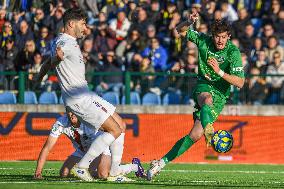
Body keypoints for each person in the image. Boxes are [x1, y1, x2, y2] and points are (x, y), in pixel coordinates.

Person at [34, 8, 141, 181]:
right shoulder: (65, 42)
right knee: (114, 130)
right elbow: (56, 56)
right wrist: (56, 59)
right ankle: (83, 166)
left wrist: (39, 77)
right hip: (78, 98)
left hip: (85, 94)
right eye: (83, 24)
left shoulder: (64, 41)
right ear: (71, 24)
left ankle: (115, 171)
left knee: (121, 125)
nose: (85, 28)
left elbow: (50, 60)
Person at [146, 13, 245, 180]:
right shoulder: (204, 40)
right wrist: (189, 22)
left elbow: (240, 83)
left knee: (195, 135)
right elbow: (180, 30)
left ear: (228, 36)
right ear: (212, 36)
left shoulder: (233, 53)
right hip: (203, 86)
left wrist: (219, 72)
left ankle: (159, 163)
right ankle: (210, 130)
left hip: (221, 94)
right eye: (217, 37)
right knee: (207, 99)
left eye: (223, 37)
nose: (220, 41)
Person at [34, 110, 144, 180]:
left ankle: (135, 166)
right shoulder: (61, 123)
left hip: (100, 150)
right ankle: (96, 170)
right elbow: (47, 148)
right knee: (64, 173)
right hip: (82, 151)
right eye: (69, 111)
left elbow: (112, 130)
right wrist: (38, 172)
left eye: (74, 111)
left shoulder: (90, 119)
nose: (71, 114)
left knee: (103, 175)